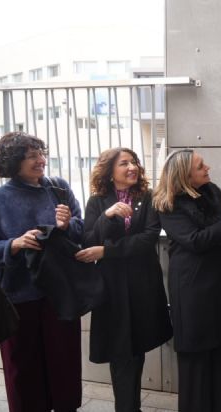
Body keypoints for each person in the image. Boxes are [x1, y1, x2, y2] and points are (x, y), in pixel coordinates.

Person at [0, 132, 83, 412]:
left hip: (60, 291)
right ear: (13, 161)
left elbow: (81, 228)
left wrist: (67, 226)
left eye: (41, 153)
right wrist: (13, 245)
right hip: (18, 296)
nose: (41, 160)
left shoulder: (58, 188)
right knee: (23, 365)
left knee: (64, 361)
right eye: (32, 156)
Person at [153, 149, 221, 412]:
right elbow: (196, 241)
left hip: (219, 285)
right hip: (193, 290)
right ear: (184, 176)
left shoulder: (210, 193)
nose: (207, 167)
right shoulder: (169, 204)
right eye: (200, 166)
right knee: (196, 359)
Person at [76, 147, 172, 412]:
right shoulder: (97, 201)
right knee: (120, 349)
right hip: (112, 287)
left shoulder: (148, 197)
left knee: (136, 345)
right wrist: (107, 216)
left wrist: (107, 251)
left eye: (134, 162)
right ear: (109, 171)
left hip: (143, 283)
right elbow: (89, 240)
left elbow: (148, 239)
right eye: (124, 163)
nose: (132, 167)